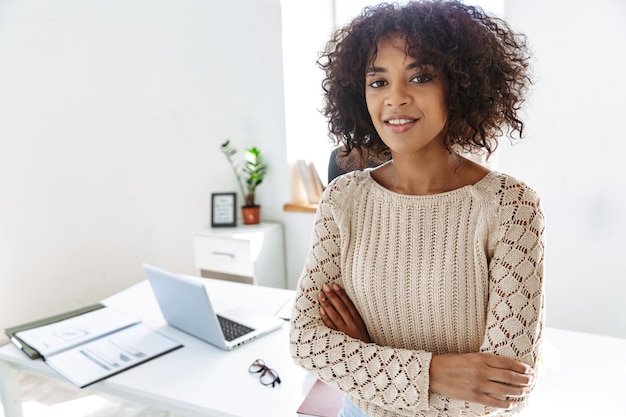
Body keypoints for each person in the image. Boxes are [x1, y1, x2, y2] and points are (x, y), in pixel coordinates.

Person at [289, 1, 545, 417]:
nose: (396, 98)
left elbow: (501, 393)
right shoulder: (343, 199)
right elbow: (305, 341)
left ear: (460, 86)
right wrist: (434, 374)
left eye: (420, 77)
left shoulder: (510, 206)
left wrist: (365, 355)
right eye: (378, 82)